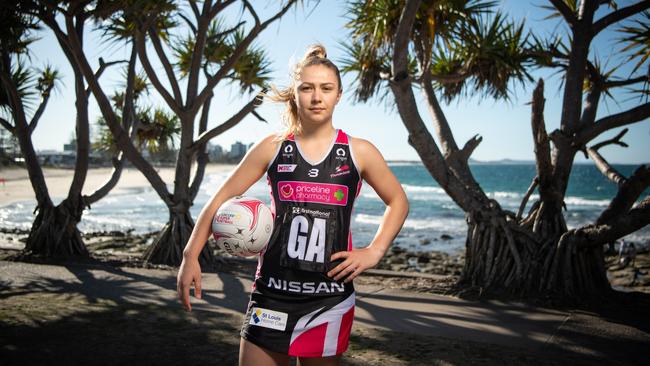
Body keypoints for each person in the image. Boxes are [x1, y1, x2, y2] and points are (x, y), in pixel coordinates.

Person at [176, 44, 409, 366]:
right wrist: (191, 254)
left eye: (326, 89)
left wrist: (375, 251)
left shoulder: (359, 151)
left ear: (338, 95)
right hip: (271, 292)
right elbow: (220, 199)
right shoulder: (272, 147)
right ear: (294, 93)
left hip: (329, 298)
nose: (317, 97)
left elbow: (397, 200)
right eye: (307, 88)